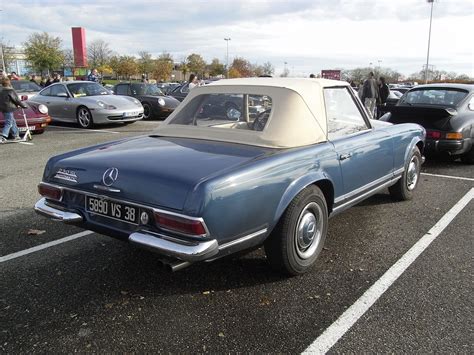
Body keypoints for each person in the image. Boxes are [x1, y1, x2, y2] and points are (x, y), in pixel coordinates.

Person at [0, 77, 27, 143]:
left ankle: (16, 135)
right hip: (9, 108)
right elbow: (16, 100)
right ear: (8, 83)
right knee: (9, 122)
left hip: (3, 108)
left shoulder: (1, 90)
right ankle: (3, 136)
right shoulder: (10, 90)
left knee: (12, 121)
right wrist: (23, 106)